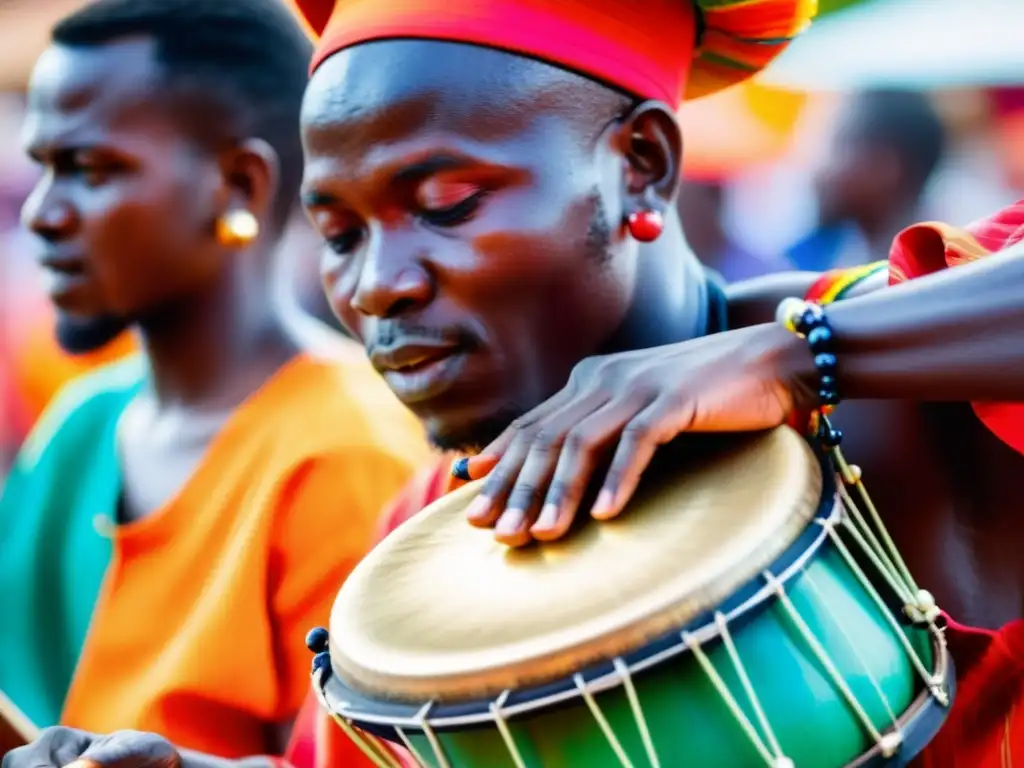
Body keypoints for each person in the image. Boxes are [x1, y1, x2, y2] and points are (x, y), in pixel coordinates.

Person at [8, 0, 1024, 766]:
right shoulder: (439, 519)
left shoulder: (893, 352)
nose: (377, 285)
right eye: (339, 232)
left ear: (640, 166)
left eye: (445, 204)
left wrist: (790, 356)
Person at [0, 0, 430, 758]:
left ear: (238, 185)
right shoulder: (82, 422)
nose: (42, 213)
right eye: (43, 169)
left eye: (90, 169)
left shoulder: (345, 453)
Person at [786, 88, 947, 272]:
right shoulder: (814, 255)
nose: (821, 168)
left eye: (838, 146)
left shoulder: (942, 272)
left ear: (885, 166)